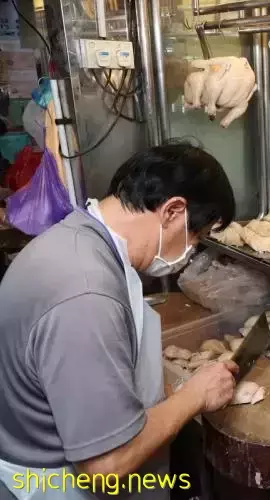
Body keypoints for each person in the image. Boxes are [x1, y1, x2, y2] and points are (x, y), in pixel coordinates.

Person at [0, 141, 239, 499]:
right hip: (55, 485)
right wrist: (195, 396)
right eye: (197, 236)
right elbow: (105, 464)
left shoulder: (80, 239)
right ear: (173, 211)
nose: (191, 251)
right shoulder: (85, 292)